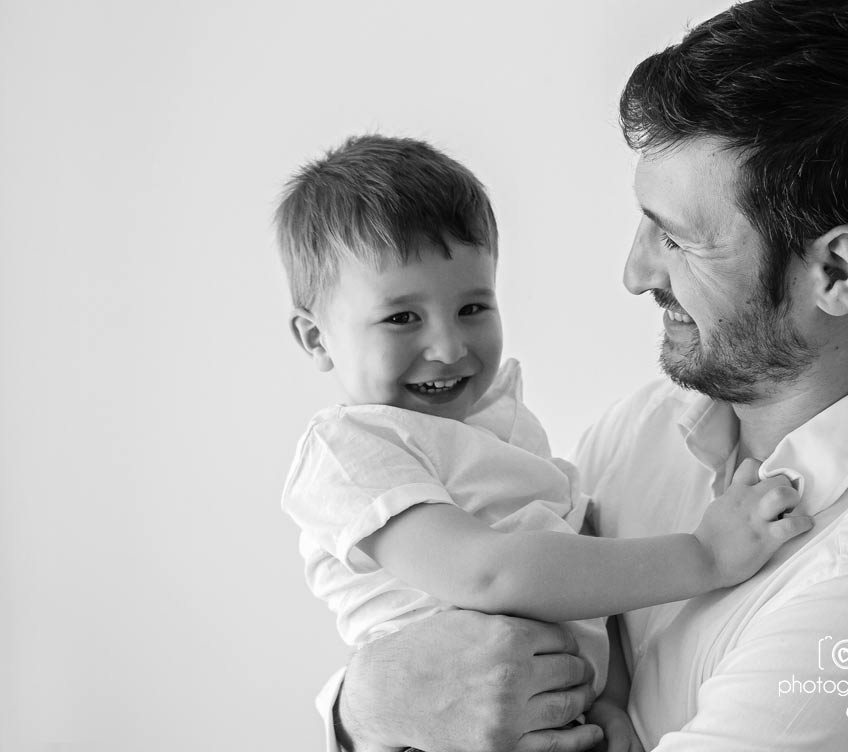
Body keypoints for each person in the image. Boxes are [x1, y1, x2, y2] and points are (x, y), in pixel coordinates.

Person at [321, 0, 848, 751]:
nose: (634, 273)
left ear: (834, 272)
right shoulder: (649, 431)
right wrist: (365, 710)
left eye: (679, 239)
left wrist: (384, 707)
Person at [275, 135, 815, 750]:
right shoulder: (351, 450)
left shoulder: (499, 424)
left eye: (473, 307)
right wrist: (705, 556)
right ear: (316, 338)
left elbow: (581, 563)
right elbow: (487, 575)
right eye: (402, 318)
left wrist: (608, 700)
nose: (448, 347)